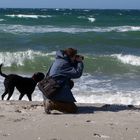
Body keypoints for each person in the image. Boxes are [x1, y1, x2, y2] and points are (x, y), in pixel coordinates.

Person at [43, 48, 84, 114]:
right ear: (71, 56)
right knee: (73, 109)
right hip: (53, 90)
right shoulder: (64, 64)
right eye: (75, 56)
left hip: (48, 90)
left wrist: (74, 61)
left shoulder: (59, 60)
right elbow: (77, 74)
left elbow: (69, 69)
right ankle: (51, 104)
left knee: (70, 83)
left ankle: (51, 101)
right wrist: (79, 62)